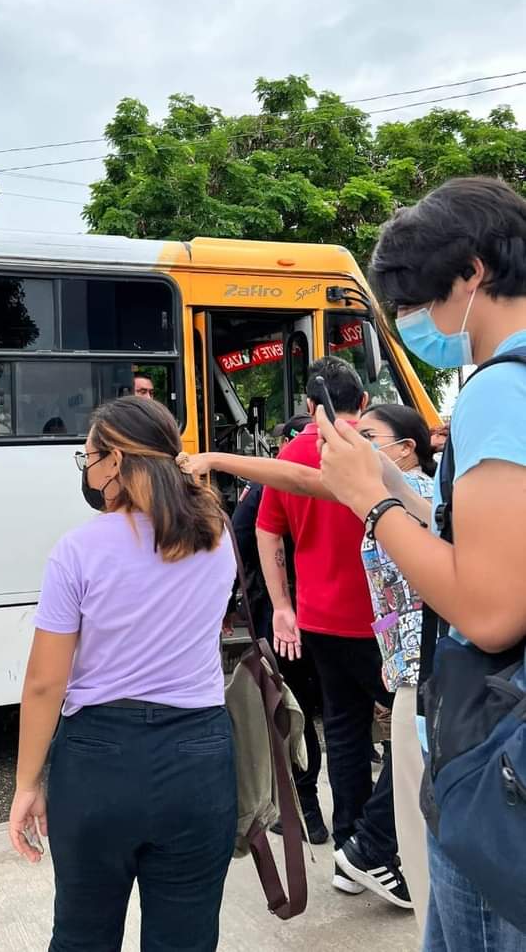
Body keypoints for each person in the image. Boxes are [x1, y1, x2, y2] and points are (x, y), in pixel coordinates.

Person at [316, 176, 526, 951]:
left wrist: (370, 505)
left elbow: (492, 608)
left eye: (414, 301)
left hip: (495, 750)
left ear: (471, 273)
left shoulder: (499, 391)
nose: (412, 324)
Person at [8, 397, 237, 952]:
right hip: (199, 757)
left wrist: (26, 784)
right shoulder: (215, 535)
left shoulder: (78, 550)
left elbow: (44, 683)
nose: (86, 470)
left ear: (114, 462)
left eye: (87, 456)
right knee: (186, 938)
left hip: (97, 761)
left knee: (84, 934)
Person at [256, 358, 411, 908]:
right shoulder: (367, 454)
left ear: (309, 408)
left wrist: (281, 606)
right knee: (416, 729)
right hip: (381, 625)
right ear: (363, 402)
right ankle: (372, 845)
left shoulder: (291, 456)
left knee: (344, 730)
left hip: (318, 621)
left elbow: (265, 529)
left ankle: (351, 846)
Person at [229, 415, 328, 845]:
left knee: (296, 711)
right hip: (310, 613)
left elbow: (237, 537)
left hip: (285, 612)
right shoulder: (354, 469)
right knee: (316, 713)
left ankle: (304, 807)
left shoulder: (271, 483)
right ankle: (312, 810)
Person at [357, 403, 437, 933]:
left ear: (405, 447)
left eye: (369, 436)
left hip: (422, 675)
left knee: (418, 827)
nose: (357, 444)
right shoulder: (386, 499)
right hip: (407, 667)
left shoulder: (422, 499)